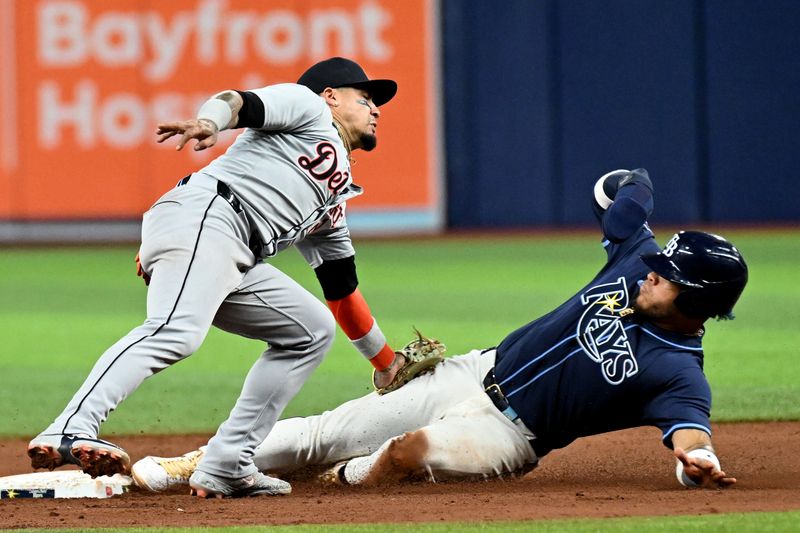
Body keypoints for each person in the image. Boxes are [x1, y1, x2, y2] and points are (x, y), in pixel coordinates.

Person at [131, 168, 748, 491]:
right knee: (329, 430)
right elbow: (623, 193)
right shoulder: (633, 260)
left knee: (404, 452)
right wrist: (635, 185)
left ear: (695, 297)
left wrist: (698, 463)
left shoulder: (677, 371)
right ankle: (202, 464)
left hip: (510, 436)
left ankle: (348, 479)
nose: (650, 275)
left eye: (666, 277)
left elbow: (692, 437)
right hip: (477, 371)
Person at [28, 57, 412, 498]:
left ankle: (228, 463)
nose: (376, 108)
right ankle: (69, 429)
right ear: (331, 96)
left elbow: (342, 289)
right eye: (365, 98)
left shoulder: (332, 198)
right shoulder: (306, 105)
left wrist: (386, 364)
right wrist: (210, 122)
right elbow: (237, 102)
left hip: (229, 250)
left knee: (310, 331)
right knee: (176, 332)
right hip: (209, 216)